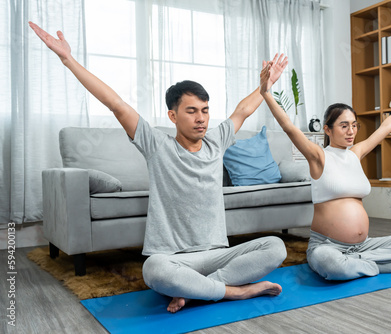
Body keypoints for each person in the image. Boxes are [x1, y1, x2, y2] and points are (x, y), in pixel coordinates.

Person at [29, 21, 288, 313]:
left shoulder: (217, 142)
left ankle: (197, 291)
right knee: (153, 271)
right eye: (191, 111)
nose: (201, 118)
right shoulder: (157, 145)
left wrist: (266, 87)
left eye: (205, 110)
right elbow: (116, 103)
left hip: (217, 254)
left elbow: (242, 110)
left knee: (275, 247)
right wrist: (68, 59)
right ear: (173, 115)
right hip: (173, 258)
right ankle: (234, 292)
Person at [260, 60, 391, 281]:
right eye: (344, 126)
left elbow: (386, 127)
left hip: (366, 244)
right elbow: (288, 126)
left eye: (354, 125)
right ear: (328, 129)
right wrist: (266, 92)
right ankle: (382, 265)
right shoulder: (318, 156)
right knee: (331, 265)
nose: (351, 131)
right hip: (328, 247)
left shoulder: (356, 153)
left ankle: (364, 260)